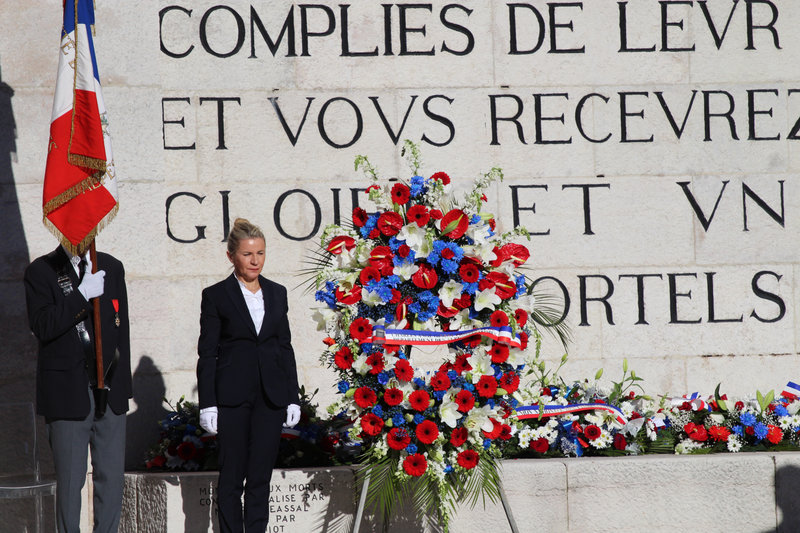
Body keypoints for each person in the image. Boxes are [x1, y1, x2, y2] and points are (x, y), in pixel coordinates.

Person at [197, 218, 301, 533]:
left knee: (260, 477)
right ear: (232, 256)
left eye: (260, 253)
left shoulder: (277, 292)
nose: (255, 260)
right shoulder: (216, 295)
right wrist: (208, 403)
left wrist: (291, 397)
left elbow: (285, 347)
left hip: (270, 398)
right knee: (231, 478)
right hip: (232, 398)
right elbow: (207, 352)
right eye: (247, 254)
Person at [24, 243, 132, 533]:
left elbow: (121, 330)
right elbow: (43, 326)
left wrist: (123, 387)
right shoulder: (41, 271)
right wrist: (82, 295)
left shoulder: (111, 265)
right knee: (71, 483)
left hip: (109, 390)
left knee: (111, 480)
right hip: (66, 391)